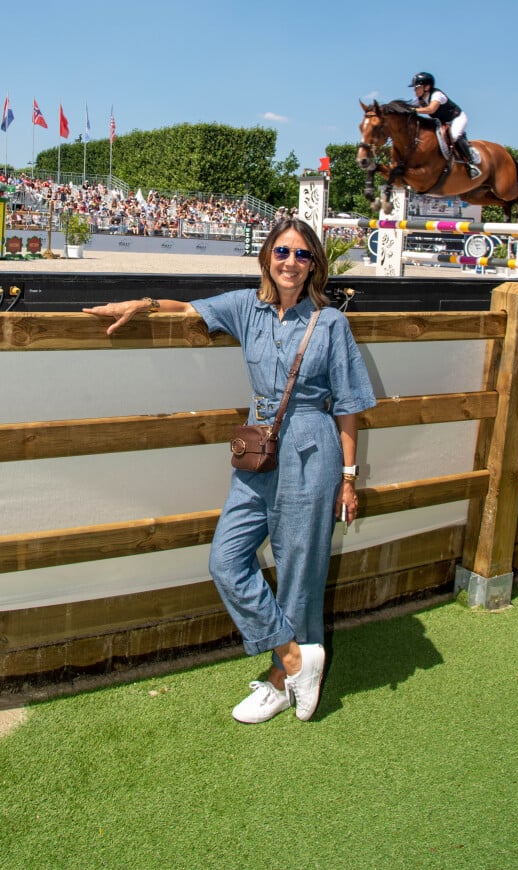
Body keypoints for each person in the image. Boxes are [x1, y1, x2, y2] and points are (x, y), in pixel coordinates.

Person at [83, 218, 376, 724]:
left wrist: (349, 478)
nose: (291, 262)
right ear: (267, 257)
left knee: (301, 571)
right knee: (226, 559)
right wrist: (143, 304)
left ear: (315, 266)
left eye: (302, 255)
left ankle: (284, 682)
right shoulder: (247, 306)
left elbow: (348, 407)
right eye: (282, 251)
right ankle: (296, 657)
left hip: (312, 448)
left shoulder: (331, 324)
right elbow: (188, 308)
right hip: (258, 447)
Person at [408, 72, 482, 179]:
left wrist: (413, 110)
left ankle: (471, 163)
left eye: (417, 87)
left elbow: (431, 109)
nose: (415, 90)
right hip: (443, 123)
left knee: (455, 136)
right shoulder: (419, 99)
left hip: (456, 119)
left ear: (427, 87)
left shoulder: (437, 95)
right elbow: (407, 106)